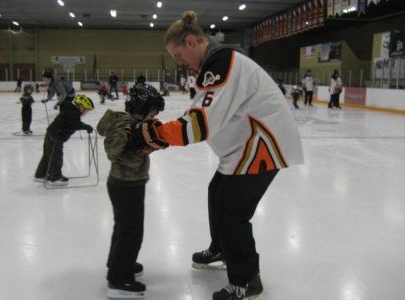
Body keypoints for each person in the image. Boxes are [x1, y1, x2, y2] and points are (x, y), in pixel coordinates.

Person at [137, 11, 304, 300]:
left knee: (231, 209)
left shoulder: (222, 64)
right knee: (217, 192)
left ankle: (246, 280)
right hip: (246, 147)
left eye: (178, 54)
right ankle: (223, 249)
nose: (179, 62)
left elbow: (201, 123)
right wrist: (162, 135)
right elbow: (203, 115)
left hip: (262, 146)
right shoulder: (216, 64)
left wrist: (156, 134)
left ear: (190, 42)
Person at [96, 84, 165, 299]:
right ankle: (119, 279)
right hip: (125, 185)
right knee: (131, 231)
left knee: (123, 227)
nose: (153, 116)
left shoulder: (134, 124)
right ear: (141, 108)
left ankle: (117, 263)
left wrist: (149, 145)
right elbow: (113, 152)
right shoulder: (125, 125)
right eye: (152, 111)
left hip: (129, 183)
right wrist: (139, 146)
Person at [34, 94, 94, 186]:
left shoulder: (71, 111)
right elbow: (74, 124)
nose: (86, 112)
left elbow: (74, 122)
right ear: (80, 106)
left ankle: (40, 175)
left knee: (48, 155)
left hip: (52, 134)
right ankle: (55, 178)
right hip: (55, 136)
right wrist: (86, 127)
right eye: (86, 110)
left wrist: (84, 126)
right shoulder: (72, 112)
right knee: (55, 156)